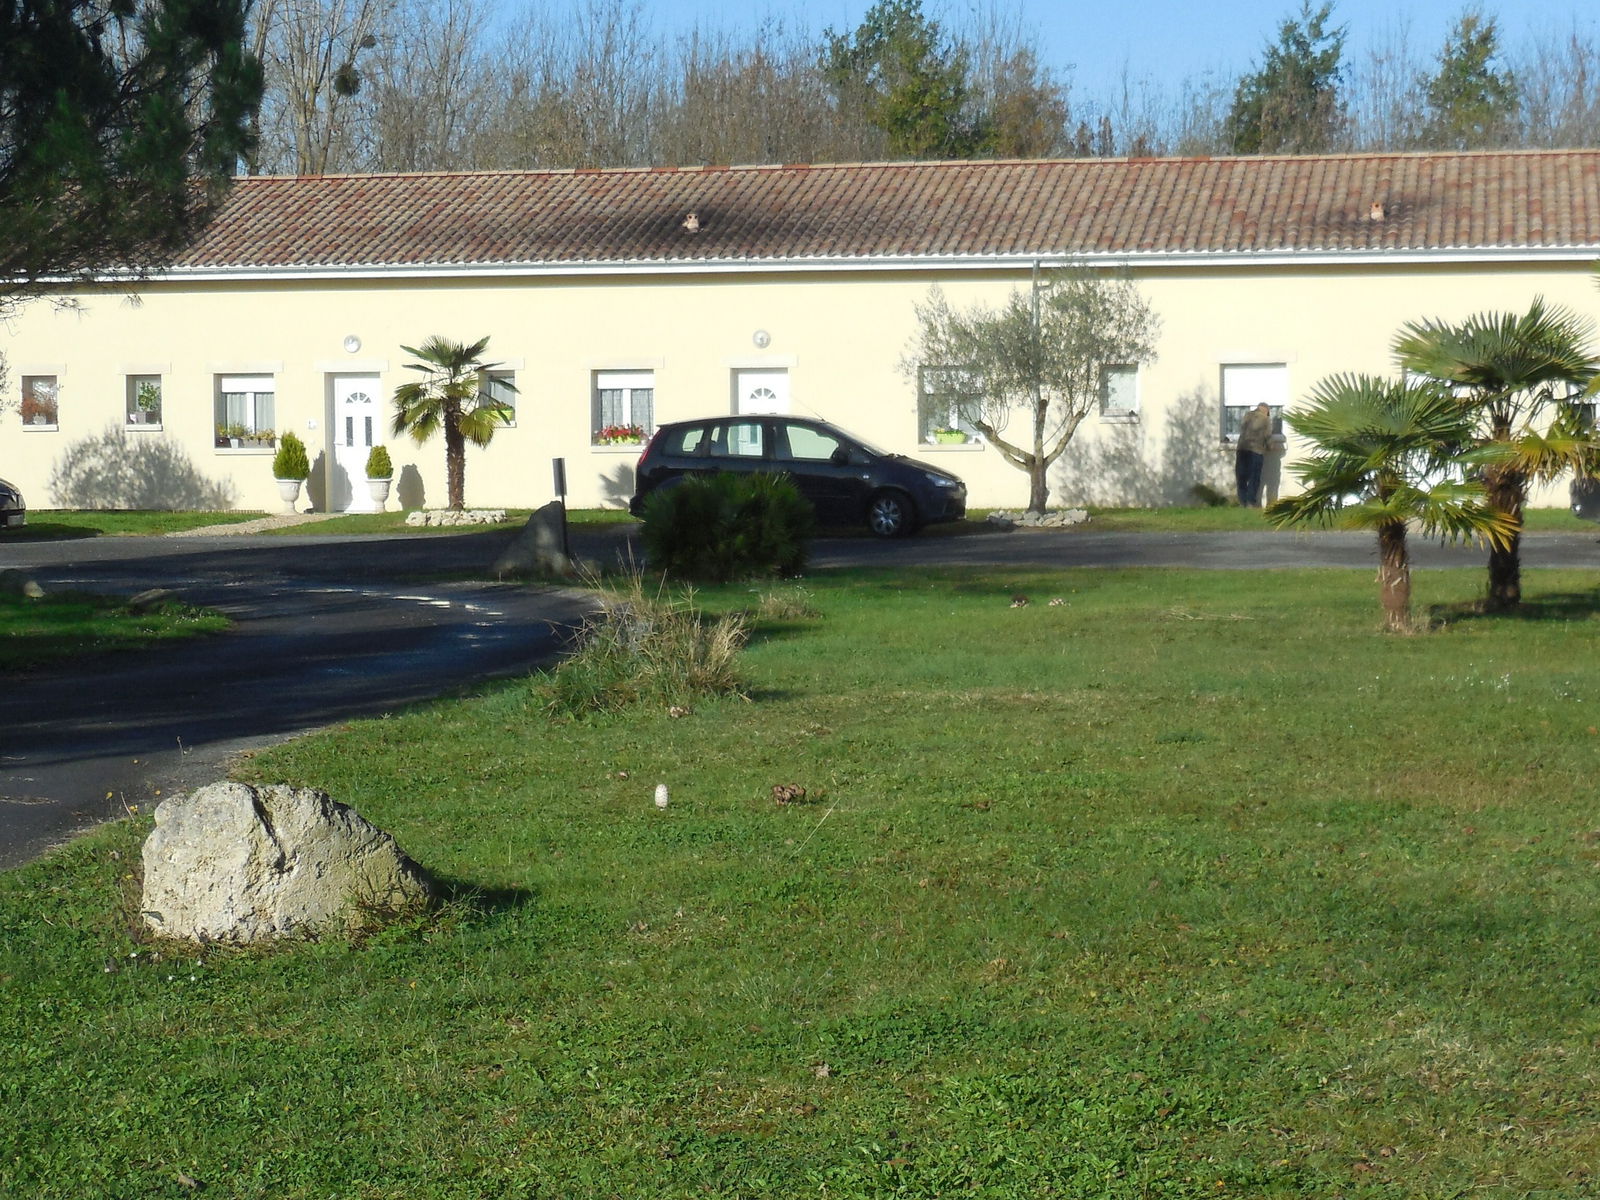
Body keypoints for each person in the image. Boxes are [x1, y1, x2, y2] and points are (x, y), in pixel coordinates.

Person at [1235, 402, 1273, 507]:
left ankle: (1242, 502)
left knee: (1241, 477)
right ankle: (1251, 502)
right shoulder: (1266, 419)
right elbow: (1268, 436)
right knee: (1254, 477)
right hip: (1256, 450)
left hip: (1242, 449)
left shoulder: (1247, 415)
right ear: (1266, 410)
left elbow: (1242, 430)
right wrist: (1270, 447)